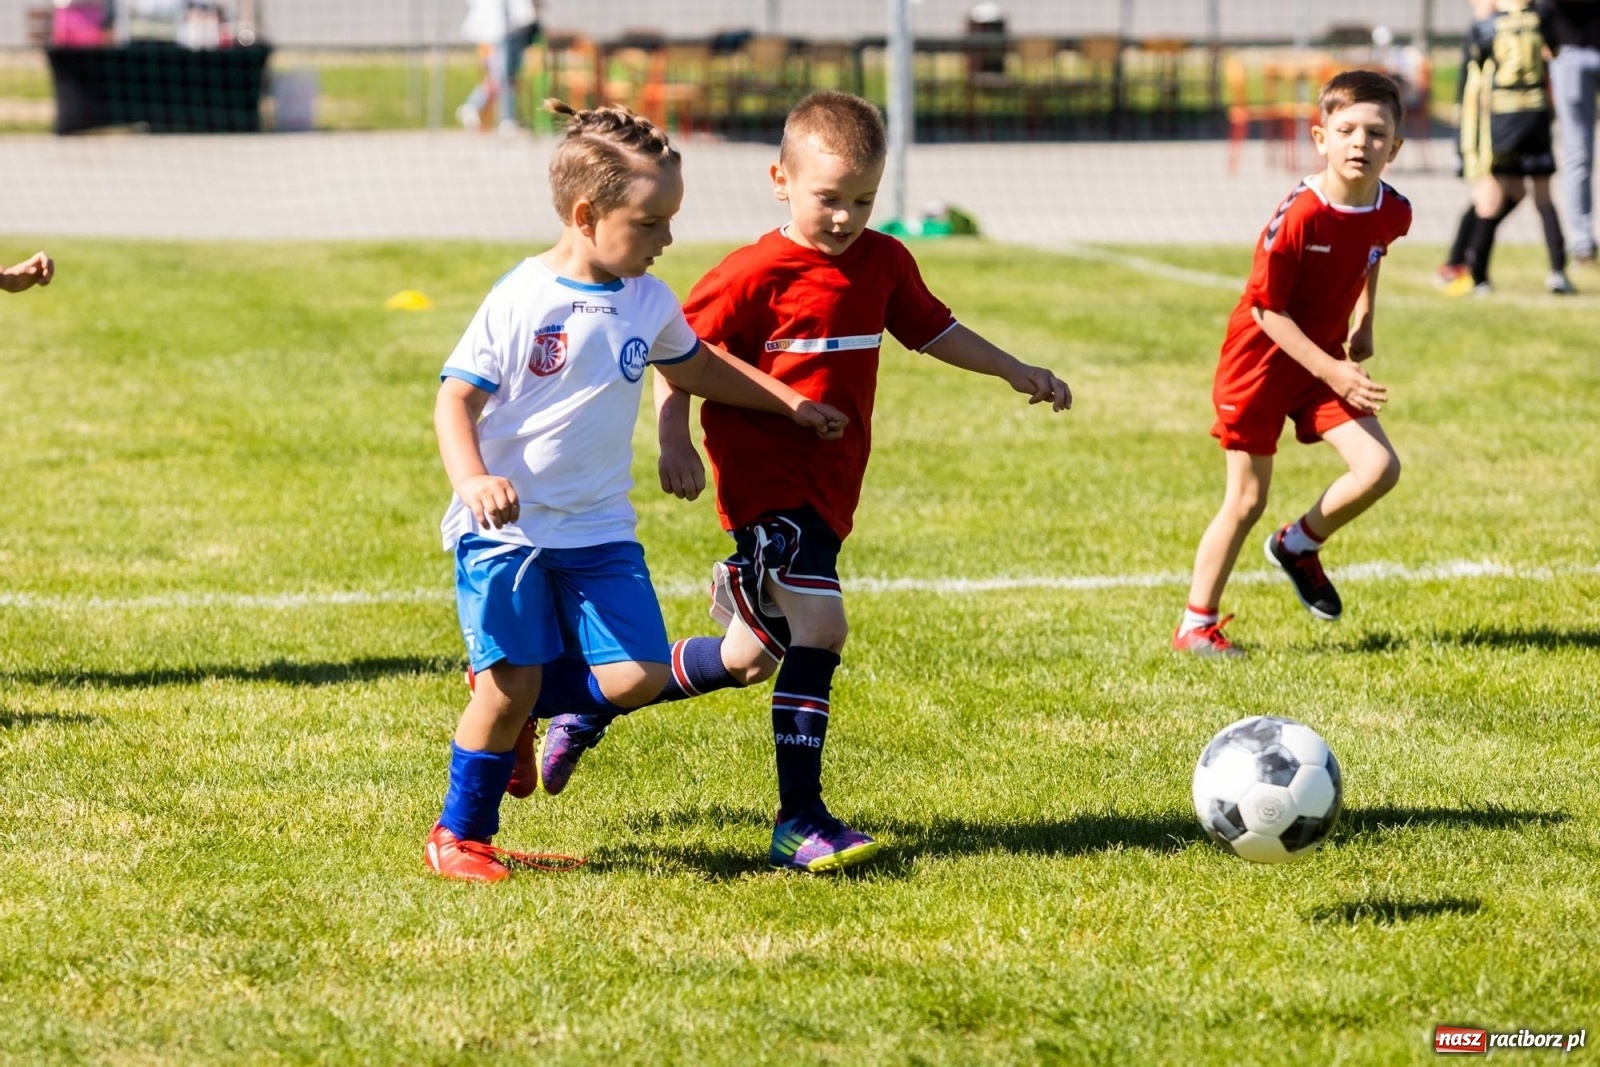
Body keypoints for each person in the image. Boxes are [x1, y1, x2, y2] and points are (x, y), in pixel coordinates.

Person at [535, 91, 1072, 873]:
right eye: (829, 198)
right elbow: (680, 355)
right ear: (780, 179)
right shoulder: (752, 274)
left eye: (863, 199)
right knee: (822, 628)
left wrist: (1014, 369)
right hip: (767, 487)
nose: (846, 216)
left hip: (831, 489)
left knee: (749, 658)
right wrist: (673, 438)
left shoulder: (885, 261)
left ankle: (586, 698)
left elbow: (934, 328)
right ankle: (801, 819)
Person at [425, 100, 849, 883]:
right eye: (651, 223)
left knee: (637, 675)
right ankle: (461, 834)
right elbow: (455, 397)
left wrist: (786, 402)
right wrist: (473, 478)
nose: (667, 240)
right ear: (587, 215)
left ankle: (513, 703)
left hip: (598, 530)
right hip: (509, 533)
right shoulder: (523, 297)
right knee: (513, 682)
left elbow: (696, 367)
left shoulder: (648, 301)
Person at [1172, 70, 1412, 658]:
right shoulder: (1301, 216)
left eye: (1376, 133)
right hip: (1259, 365)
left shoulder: (1394, 210)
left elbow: (1372, 252)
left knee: (1379, 468)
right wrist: (1332, 371)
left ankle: (1299, 545)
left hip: (1323, 361)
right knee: (1246, 501)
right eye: (1347, 129)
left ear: (1395, 147)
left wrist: (1365, 319)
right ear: (1319, 137)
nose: (1361, 142)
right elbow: (1266, 311)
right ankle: (1195, 626)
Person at [1444, 0, 1574, 296]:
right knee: (1543, 197)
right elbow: (1553, 54)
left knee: (1490, 197)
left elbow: (1472, 80)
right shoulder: (1542, 17)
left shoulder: (1484, 27)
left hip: (1501, 119)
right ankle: (1558, 272)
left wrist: (1466, 142)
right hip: (1536, 116)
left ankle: (1478, 277)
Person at [1544, 0, 1600, 267]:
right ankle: (1582, 243)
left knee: (1579, 154)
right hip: (1570, 53)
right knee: (1579, 153)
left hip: (1573, 54)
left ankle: (1582, 243)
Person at [456, 0, 540, 134]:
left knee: (503, 78)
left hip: (508, 32)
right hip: (493, 34)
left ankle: (478, 108)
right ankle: (499, 116)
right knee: (501, 77)